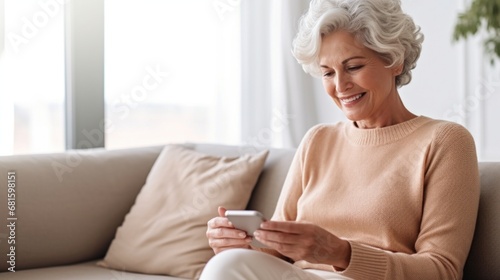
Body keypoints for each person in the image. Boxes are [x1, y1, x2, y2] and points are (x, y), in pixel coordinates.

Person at [201, 0, 480, 279]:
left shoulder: (445, 141)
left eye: (354, 66)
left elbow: (442, 270)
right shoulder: (317, 140)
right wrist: (237, 245)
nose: (339, 86)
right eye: (327, 72)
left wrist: (340, 253)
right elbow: (276, 253)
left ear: (395, 60)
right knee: (226, 264)